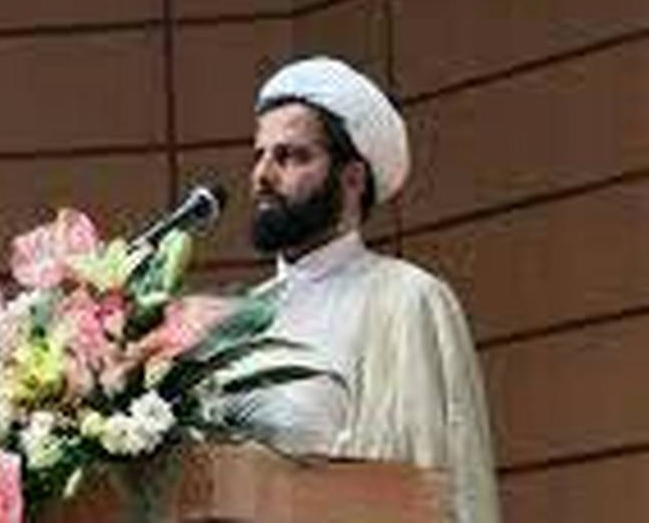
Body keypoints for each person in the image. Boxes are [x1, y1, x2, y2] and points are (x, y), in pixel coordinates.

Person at [208, 56, 500, 523]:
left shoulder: (408, 298)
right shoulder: (235, 321)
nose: (262, 175)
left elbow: (439, 478)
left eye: (290, 156)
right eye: (259, 156)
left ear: (352, 179)